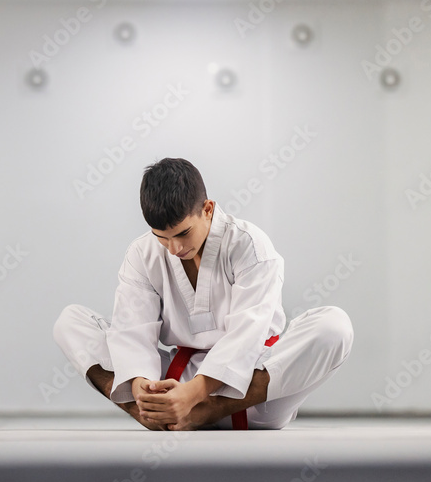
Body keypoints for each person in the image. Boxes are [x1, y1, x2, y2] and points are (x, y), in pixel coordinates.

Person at [53, 158, 352, 430]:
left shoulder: (248, 245)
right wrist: (140, 387)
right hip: (175, 385)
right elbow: (132, 333)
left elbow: (247, 334)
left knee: (334, 326)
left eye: (183, 233)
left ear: (207, 209)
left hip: (256, 391)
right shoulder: (142, 254)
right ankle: (151, 414)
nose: (174, 248)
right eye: (162, 237)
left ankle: (204, 412)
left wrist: (195, 396)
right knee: (70, 322)